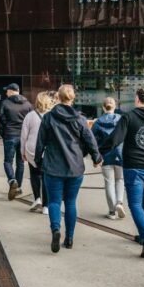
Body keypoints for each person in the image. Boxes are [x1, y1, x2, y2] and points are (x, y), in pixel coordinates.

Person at [35, 84, 103, 253]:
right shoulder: (80, 119)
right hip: (75, 167)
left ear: (58, 97)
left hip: (53, 167)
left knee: (54, 202)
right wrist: (96, 158)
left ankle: (56, 229)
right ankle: (70, 238)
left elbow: (40, 142)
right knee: (71, 202)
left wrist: (37, 160)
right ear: (72, 98)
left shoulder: (49, 118)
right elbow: (90, 140)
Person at [98, 88, 144, 258]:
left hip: (133, 166)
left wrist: (99, 153)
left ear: (137, 99)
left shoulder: (129, 117)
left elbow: (114, 139)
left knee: (134, 204)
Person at [91, 96, 126, 220]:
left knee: (109, 183)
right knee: (120, 180)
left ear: (103, 107)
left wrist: (95, 158)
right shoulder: (122, 119)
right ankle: (119, 203)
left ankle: (112, 212)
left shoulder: (98, 122)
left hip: (105, 156)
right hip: (121, 155)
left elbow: (92, 141)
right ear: (114, 107)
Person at [21, 92, 55, 214]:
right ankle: (46, 206)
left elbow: (24, 136)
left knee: (34, 175)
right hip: (47, 151)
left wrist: (22, 152)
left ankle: (37, 199)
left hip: (31, 150)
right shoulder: (52, 116)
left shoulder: (30, 116)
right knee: (46, 177)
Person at [0, 83, 34, 200]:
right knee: (20, 163)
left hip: (10, 135)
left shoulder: (5, 103)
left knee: (8, 161)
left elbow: (1, 119)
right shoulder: (28, 104)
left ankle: (12, 180)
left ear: (12, 91)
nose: (6, 93)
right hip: (24, 136)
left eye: (7, 91)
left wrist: (3, 132)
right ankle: (18, 187)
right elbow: (31, 120)